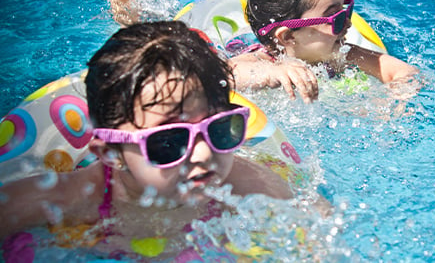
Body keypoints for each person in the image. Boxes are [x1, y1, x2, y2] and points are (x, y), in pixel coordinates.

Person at [0, 21, 292, 259]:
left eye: (218, 128)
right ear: (111, 153)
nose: (203, 154)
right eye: (169, 141)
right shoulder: (65, 202)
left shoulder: (247, 185)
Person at [107, 0, 420, 104]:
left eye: (346, 10)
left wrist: (397, 98)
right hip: (224, 49)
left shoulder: (342, 53)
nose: (347, 24)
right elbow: (222, 75)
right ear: (286, 38)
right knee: (139, 35)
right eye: (334, 18)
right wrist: (273, 71)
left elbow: (400, 71)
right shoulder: (262, 58)